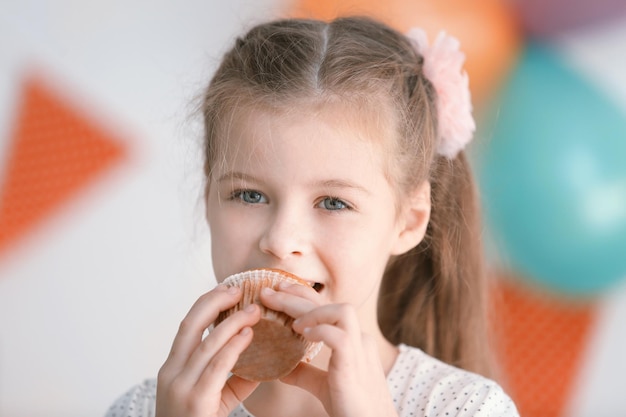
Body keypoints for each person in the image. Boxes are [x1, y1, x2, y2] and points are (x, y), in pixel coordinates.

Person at [105, 16, 519, 417]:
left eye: (334, 203)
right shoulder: (145, 410)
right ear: (208, 195)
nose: (281, 241)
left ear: (409, 220)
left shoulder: (469, 408)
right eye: (249, 195)